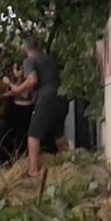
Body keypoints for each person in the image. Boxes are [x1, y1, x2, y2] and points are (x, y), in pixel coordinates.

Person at [8, 36, 69, 176]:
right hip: (62, 98)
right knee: (59, 135)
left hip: (46, 99)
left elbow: (32, 80)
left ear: (25, 48)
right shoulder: (50, 59)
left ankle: (33, 171)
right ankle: (70, 164)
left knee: (33, 135)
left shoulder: (29, 60)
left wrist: (17, 89)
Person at [1, 62, 34, 159]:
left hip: (25, 110)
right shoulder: (16, 81)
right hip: (15, 109)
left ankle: (23, 156)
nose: (16, 72)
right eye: (15, 69)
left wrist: (10, 84)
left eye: (19, 69)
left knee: (22, 135)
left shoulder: (27, 80)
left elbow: (24, 94)